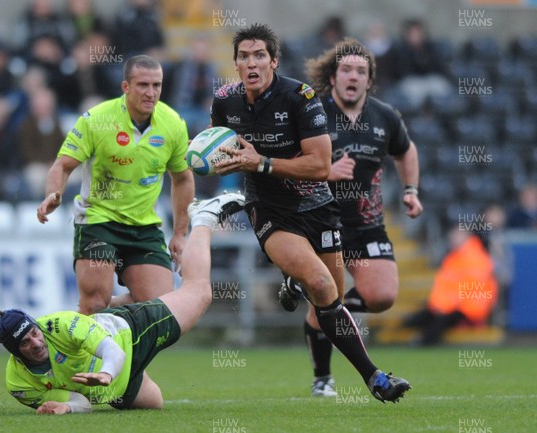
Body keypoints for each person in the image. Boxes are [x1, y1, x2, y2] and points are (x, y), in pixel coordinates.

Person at [211, 23, 410, 403]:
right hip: (270, 210)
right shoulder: (224, 101)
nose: (251, 63)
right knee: (320, 285)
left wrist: (261, 163)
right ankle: (375, 379)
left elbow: (320, 165)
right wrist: (208, 160)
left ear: (274, 60)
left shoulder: (299, 97)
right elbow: (219, 148)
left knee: (328, 299)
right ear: (235, 63)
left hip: (317, 207)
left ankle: (294, 287)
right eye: (243, 56)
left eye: (259, 56)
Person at [0, 193, 245, 414]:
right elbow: (82, 403)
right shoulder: (18, 384)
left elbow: (112, 352)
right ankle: (133, 306)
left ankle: (204, 217)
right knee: (154, 403)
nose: (36, 343)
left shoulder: (62, 325)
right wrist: (67, 407)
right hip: (118, 385)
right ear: (15, 353)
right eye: (25, 343)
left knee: (200, 293)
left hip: (131, 332)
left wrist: (106, 374)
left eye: (34, 333)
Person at [277, 38, 423, 397]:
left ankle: (325, 307)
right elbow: (285, 166)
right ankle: (322, 379)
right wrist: (325, 172)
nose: (353, 76)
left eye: (361, 71)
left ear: (370, 80)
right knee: (328, 298)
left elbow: (406, 151)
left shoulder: (385, 116)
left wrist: (410, 191)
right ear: (333, 75)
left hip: (367, 224)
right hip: (320, 222)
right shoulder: (313, 112)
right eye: (347, 70)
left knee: (383, 296)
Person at [36, 54, 195, 315]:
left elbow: (183, 178)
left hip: (143, 227)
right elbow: (63, 166)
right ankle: (85, 329)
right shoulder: (96, 119)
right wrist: (53, 194)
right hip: (99, 221)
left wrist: (179, 233)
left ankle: (105, 311)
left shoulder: (173, 124)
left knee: (160, 309)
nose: (151, 93)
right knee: (95, 302)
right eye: (143, 85)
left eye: (157, 85)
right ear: (126, 87)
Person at [402, 227, 498, 346]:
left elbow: (471, 290)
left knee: (441, 321)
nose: (453, 239)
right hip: (450, 306)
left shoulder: (476, 258)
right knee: (417, 318)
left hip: (469, 308)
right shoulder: (453, 258)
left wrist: (444, 307)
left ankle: (423, 342)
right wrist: (439, 306)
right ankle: (405, 338)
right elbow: (445, 287)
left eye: (457, 235)